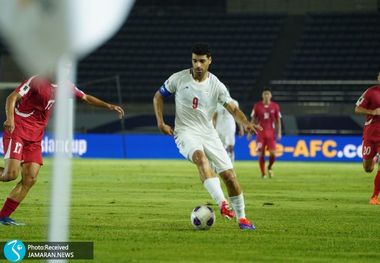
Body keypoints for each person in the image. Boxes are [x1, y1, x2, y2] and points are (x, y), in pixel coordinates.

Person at [153, 43, 261, 230]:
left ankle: (242, 219)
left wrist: (246, 123)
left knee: (230, 177)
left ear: (209, 61)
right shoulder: (178, 78)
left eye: (202, 61)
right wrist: (160, 122)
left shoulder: (216, 85)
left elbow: (233, 108)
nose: (198, 65)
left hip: (209, 133)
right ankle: (222, 203)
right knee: (200, 158)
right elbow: (158, 96)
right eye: (195, 60)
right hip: (185, 131)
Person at [0, 74, 125, 225]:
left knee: (30, 178)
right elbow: (11, 98)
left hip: (35, 137)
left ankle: (3, 217)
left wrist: (108, 106)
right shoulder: (37, 80)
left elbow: (85, 97)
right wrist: (10, 118)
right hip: (18, 129)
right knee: (10, 175)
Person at [355, 71, 380, 205]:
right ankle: (374, 158)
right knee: (368, 169)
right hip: (370, 134)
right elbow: (357, 109)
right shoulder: (371, 92)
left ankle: (374, 197)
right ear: (378, 77)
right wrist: (372, 112)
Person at [249, 88, 281, 179]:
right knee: (261, 154)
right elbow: (253, 119)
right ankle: (263, 174)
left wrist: (279, 132)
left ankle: (270, 167)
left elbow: (278, 120)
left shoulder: (275, 106)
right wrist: (250, 132)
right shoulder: (257, 106)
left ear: (270, 96)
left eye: (268, 94)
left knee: (273, 154)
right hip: (260, 134)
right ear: (262, 96)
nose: (266, 96)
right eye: (265, 94)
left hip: (271, 133)